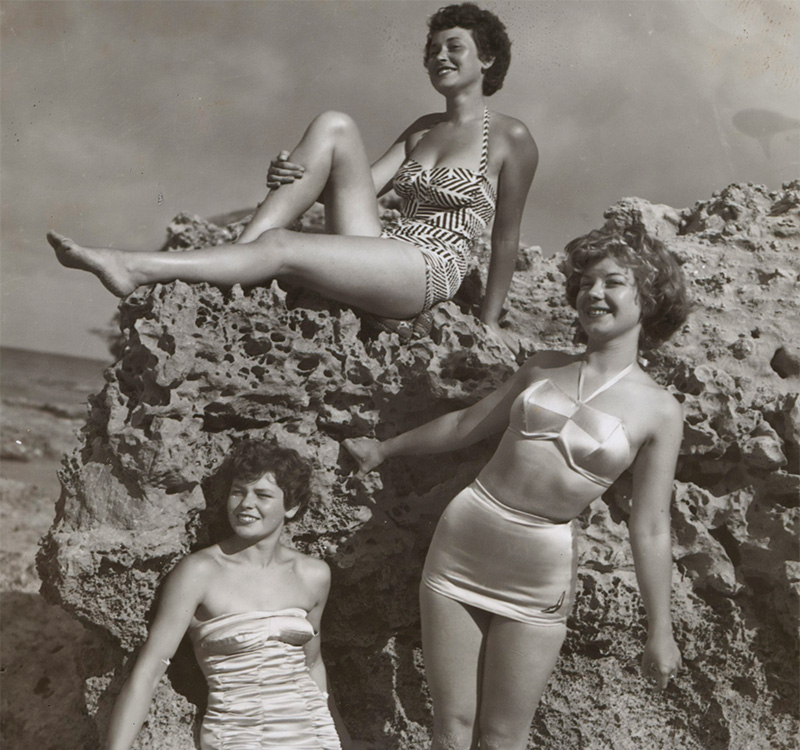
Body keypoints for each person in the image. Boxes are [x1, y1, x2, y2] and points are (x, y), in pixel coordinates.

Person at [344, 227, 690, 750]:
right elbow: (466, 426)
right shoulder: (543, 366)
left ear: (651, 296)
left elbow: (652, 524)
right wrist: (385, 450)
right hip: (464, 539)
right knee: (451, 729)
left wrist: (659, 629)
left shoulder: (660, 410)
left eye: (614, 282)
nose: (594, 294)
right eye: (586, 282)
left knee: (504, 736)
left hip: (538, 568)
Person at [48, 3, 537, 347]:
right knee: (334, 124)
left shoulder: (511, 137)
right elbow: (350, 188)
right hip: (383, 248)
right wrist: (291, 172)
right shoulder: (421, 130)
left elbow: (505, 240)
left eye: (454, 47)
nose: (438, 56)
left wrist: (490, 323)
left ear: (487, 59)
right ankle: (243, 259)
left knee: (281, 246)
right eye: (432, 49)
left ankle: (135, 267)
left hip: (428, 269)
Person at [105, 438, 361, 750]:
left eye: (262, 495)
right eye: (238, 492)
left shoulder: (313, 575)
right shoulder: (199, 572)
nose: (245, 504)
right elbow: (147, 673)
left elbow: (313, 665)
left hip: (314, 735)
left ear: (291, 507)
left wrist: (344, 743)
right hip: (239, 739)